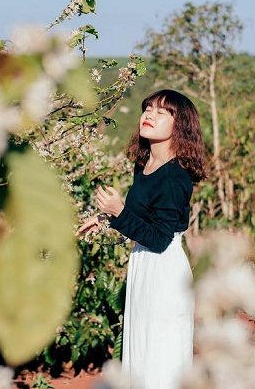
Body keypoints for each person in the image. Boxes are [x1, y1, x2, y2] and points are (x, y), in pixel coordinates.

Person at [76, 89, 209, 389]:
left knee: (159, 357)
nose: (149, 115)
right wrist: (105, 219)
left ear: (181, 126)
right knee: (141, 351)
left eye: (162, 112)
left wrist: (119, 211)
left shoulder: (176, 177)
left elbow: (160, 239)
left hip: (163, 271)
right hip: (143, 265)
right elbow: (142, 217)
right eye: (147, 108)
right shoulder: (146, 164)